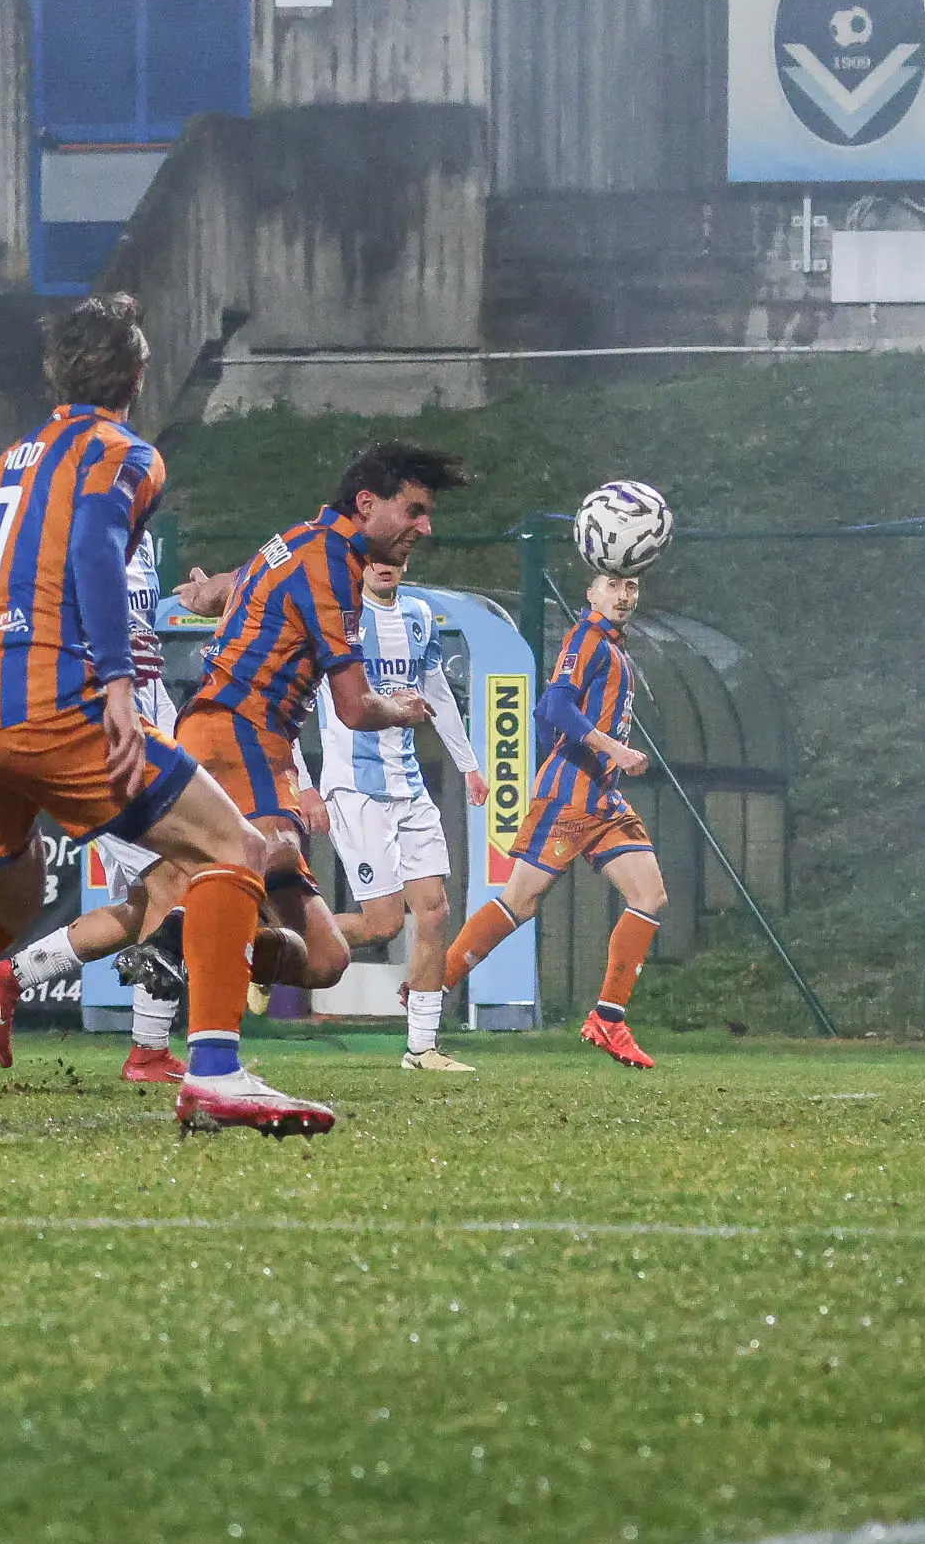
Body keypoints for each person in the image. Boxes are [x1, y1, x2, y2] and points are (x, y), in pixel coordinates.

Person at [0, 294, 323, 1140]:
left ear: (58, 373)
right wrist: (119, 679)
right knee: (234, 847)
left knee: (4, 904)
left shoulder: (1, 465)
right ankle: (213, 1072)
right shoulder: (123, 451)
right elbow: (93, 539)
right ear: (137, 374)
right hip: (50, 699)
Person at [174, 443, 468, 1015]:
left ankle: (180, 940)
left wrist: (205, 594)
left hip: (258, 739)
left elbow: (233, 584)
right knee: (271, 849)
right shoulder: (331, 565)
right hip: (235, 728)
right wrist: (401, 710)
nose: (424, 527)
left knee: (324, 958)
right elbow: (355, 708)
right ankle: (208, 1050)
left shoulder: (304, 540)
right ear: (367, 503)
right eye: (413, 510)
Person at [0, 526, 196, 1083]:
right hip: (102, 718)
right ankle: (147, 1050)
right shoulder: (68, 526)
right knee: (177, 879)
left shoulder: (134, 531)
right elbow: (39, 618)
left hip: (149, 707)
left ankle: (10, 977)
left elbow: (138, 612)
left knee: (146, 905)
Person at [438, 564, 666, 1069]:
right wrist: (607, 752)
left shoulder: (614, 646)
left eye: (631, 586)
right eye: (613, 585)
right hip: (570, 797)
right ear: (592, 592)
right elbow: (554, 708)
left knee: (649, 894)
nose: (623, 595)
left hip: (602, 797)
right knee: (520, 902)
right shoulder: (585, 638)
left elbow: (548, 720)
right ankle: (431, 994)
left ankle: (608, 1020)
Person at [302, 554, 487, 1072]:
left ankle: (422, 1048)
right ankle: (269, 946)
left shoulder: (420, 617)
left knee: (434, 911)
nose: (387, 567)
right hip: (354, 791)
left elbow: (439, 695)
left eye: (397, 559)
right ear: (360, 563)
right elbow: (292, 706)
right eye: (377, 559)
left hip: (409, 785)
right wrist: (301, 785)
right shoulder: (335, 622)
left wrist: (468, 765)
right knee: (382, 923)